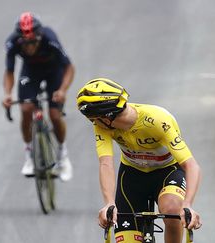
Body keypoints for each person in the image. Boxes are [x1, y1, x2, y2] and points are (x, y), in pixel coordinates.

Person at [76, 78, 202, 243]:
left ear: (107, 118)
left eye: (93, 119)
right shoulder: (102, 126)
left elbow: (191, 165)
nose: (93, 122)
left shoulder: (157, 120)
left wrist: (188, 204)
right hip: (132, 176)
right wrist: (108, 203)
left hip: (167, 172)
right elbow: (105, 163)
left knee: (172, 210)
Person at [2, 12, 74, 181]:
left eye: (33, 43)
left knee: (55, 115)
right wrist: (7, 94)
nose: (29, 48)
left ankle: (63, 155)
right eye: (25, 44)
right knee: (26, 108)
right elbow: (9, 72)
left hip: (53, 72)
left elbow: (69, 67)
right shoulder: (12, 43)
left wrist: (62, 90)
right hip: (31, 72)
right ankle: (29, 155)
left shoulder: (50, 38)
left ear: (39, 37)